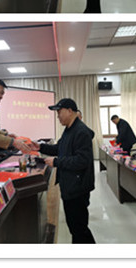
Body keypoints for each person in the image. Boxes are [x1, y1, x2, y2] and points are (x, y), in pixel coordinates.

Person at [31, 98, 95, 244]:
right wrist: (40, 147)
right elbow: (59, 148)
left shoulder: (81, 132)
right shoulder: (69, 130)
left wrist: (56, 162)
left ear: (70, 111)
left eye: (59, 112)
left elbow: (82, 160)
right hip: (70, 185)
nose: (58, 116)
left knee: (79, 228)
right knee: (75, 227)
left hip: (78, 187)